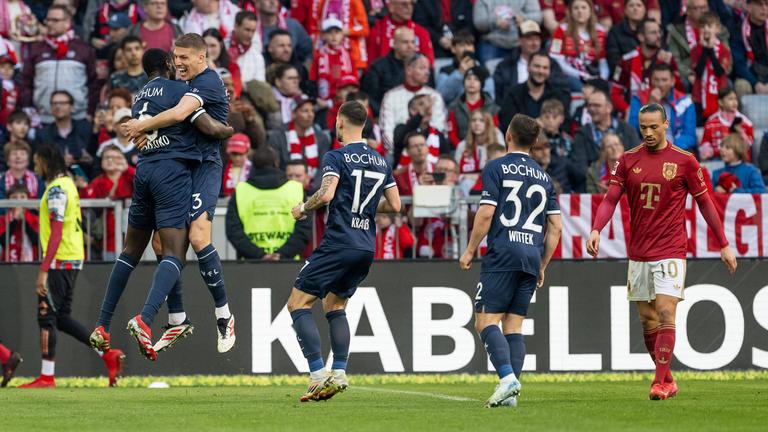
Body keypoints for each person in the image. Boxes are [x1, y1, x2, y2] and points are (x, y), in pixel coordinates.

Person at [91, 48, 235, 360]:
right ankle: (146, 318)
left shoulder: (139, 97)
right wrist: (229, 129)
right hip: (171, 173)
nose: (179, 64)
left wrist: (142, 129)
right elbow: (207, 126)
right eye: (176, 59)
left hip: (143, 171)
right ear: (169, 64)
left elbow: (144, 130)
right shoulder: (178, 91)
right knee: (176, 251)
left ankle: (104, 324)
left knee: (133, 250)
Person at [587, 103, 737, 401]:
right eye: (643, 127)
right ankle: (668, 378)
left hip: (671, 249)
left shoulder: (685, 161)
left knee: (666, 311)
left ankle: (658, 384)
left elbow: (705, 203)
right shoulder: (627, 160)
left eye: (654, 126)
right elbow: (611, 199)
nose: (648, 132)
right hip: (639, 252)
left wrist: (723, 243)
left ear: (666, 124)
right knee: (647, 320)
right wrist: (596, 229)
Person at [287, 100, 401, 402]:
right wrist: (365, 205)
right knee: (335, 306)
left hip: (339, 241)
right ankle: (338, 372)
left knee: (297, 304)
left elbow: (326, 194)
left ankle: (317, 374)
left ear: (340, 121)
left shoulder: (336, 156)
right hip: (365, 245)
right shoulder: (381, 161)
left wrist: (303, 208)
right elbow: (396, 205)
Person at [459, 113, 562, 408]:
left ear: (508, 136)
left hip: (503, 253)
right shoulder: (544, 177)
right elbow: (556, 227)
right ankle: (510, 393)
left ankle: (506, 380)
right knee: (514, 327)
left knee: (485, 321)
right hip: (530, 256)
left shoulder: (496, 167)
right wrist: (542, 264)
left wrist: (470, 249)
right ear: (535, 141)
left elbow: (486, 212)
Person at [18, 145, 125, 389]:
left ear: (46, 162)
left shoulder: (56, 189)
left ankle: (46, 377)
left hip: (60, 259)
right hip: (73, 257)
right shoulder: (68, 185)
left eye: (37, 162)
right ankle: (108, 355)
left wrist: (44, 269)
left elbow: (56, 231)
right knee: (62, 318)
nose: (35, 167)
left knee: (46, 316)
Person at [225, 145, 310, 260]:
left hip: (250, 264)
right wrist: (282, 255)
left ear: (253, 165)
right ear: (276, 163)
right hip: (289, 263)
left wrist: (260, 255)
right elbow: (304, 229)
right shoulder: (296, 189)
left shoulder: (241, 191)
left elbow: (234, 232)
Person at [19, 5, 98, 124]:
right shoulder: (36, 49)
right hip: (43, 119)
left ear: (67, 23)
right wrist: (28, 108)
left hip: (78, 118)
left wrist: (90, 112)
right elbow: (26, 81)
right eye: (48, 20)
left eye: (55, 20)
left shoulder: (83, 49)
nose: (50, 24)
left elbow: (93, 83)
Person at [571, 88, 640, 192]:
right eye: (589, 105)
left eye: (596, 105)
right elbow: (579, 168)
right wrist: (597, 182)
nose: (591, 109)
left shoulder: (628, 131)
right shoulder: (581, 134)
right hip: (592, 190)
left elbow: (638, 161)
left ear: (609, 108)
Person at [610, 18, 679, 115]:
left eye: (659, 32)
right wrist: (626, 109)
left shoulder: (667, 58)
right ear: (641, 37)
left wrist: (668, 65)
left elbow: (679, 89)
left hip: (663, 112)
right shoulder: (626, 60)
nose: (658, 36)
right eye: (653, 33)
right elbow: (615, 92)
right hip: (634, 112)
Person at [379, 54, 446, 154]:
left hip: (430, 152)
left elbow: (439, 128)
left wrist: (423, 152)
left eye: (428, 69)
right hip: (398, 152)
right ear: (409, 70)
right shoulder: (391, 96)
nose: (427, 72)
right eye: (422, 68)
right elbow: (386, 131)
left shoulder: (435, 96)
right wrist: (396, 153)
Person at [78, 145, 135, 261]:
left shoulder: (130, 176)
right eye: (106, 157)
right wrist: (83, 188)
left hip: (133, 239)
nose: (110, 160)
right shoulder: (98, 182)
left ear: (123, 160)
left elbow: (145, 183)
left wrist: (127, 169)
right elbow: (86, 207)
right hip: (108, 241)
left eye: (115, 157)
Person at [267, 95, 332, 191]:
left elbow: (324, 167)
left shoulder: (321, 138)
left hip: (313, 191)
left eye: (312, 111)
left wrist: (311, 187)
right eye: (305, 111)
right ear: (293, 114)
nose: (310, 115)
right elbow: (274, 168)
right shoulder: (278, 137)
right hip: (284, 189)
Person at [628, 63, 697, 152]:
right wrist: (650, 105)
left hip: (676, 149)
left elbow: (690, 136)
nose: (660, 84)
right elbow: (633, 131)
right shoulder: (638, 99)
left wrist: (670, 148)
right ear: (651, 80)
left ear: (672, 81)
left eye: (664, 80)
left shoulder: (685, 102)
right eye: (656, 80)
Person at [498, 52, 570, 132]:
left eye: (545, 68)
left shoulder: (558, 95)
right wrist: (532, 126)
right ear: (528, 67)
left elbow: (566, 124)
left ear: (549, 71)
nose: (541, 71)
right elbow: (507, 123)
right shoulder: (513, 93)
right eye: (537, 66)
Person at [666, 0, 729, 91]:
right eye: (696, 8)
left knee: (727, 84)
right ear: (688, 11)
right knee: (684, 83)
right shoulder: (676, 32)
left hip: (716, 72)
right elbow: (676, 60)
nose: (702, 11)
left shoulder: (719, 30)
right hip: (689, 75)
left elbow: (727, 61)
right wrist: (689, 74)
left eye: (704, 7)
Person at [548, 0, 608, 91]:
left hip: (594, 75)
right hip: (570, 76)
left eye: (584, 7)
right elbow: (557, 60)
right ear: (570, 12)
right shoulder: (561, 30)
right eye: (576, 8)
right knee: (582, 89)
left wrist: (602, 79)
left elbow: (603, 62)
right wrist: (581, 75)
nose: (580, 11)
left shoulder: (600, 31)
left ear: (590, 11)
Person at [360, 26, 416, 116]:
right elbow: (370, 97)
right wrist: (385, 115)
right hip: (385, 115)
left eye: (413, 42)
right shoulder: (377, 66)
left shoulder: (422, 65)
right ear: (394, 44)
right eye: (405, 42)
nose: (410, 46)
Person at [35, 90, 94, 173]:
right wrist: (59, 162)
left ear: (72, 107)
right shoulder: (43, 134)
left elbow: (96, 158)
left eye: (62, 103)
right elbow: (39, 164)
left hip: (85, 176)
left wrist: (89, 159)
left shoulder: (86, 129)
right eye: (54, 103)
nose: (58, 106)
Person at [392, 94, 451, 171]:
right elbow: (400, 138)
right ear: (412, 110)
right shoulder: (401, 129)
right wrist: (420, 114)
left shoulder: (438, 135)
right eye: (421, 104)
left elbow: (446, 159)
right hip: (403, 176)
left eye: (429, 105)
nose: (427, 107)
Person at [472, 0, 543, 63]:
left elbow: (538, 17)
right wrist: (495, 22)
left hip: (519, 44)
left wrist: (524, 19)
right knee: (489, 71)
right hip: (492, 43)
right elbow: (479, 23)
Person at [307, 0, 370, 70]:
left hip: (352, 58)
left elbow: (365, 29)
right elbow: (319, 28)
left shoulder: (354, 1)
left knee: (345, 76)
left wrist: (347, 31)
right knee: (334, 75)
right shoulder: (323, 2)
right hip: (328, 58)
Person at [367, 0, 434, 65]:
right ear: (391, 7)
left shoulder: (421, 32)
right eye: (404, 4)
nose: (409, 8)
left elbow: (429, 64)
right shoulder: (378, 31)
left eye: (411, 4)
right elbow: (371, 64)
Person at [438, 30, 495, 106]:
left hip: (479, 110)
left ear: (473, 48)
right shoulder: (445, 71)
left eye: (469, 45)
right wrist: (459, 74)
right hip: (454, 110)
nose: (466, 49)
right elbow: (441, 97)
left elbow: (490, 97)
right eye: (462, 45)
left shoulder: (483, 71)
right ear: (453, 49)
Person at [447, 66, 500, 147]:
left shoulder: (491, 107)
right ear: (464, 82)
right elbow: (452, 135)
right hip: (460, 149)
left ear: (481, 83)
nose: (471, 82)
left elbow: (494, 132)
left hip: (487, 148)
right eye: (468, 79)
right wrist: (463, 149)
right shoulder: (454, 106)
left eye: (476, 79)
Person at [311, 18, 356, 112]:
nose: (333, 36)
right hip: (324, 101)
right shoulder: (319, 56)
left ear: (342, 34)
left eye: (337, 32)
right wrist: (318, 99)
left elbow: (354, 78)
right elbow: (313, 79)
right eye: (329, 33)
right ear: (323, 35)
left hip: (345, 101)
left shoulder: (347, 55)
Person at [700, 87, 755, 161]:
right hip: (717, 159)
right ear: (720, 102)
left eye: (735, 99)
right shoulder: (711, 122)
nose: (734, 102)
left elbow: (749, 144)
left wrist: (741, 133)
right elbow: (705, 142)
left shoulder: (745, 122)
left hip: (739, 160)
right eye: (730, 99)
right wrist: (707, 152)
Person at [255, 0, 313, 64]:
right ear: (257, 3)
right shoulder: (252, 29)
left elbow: (310, 52)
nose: (272, 2)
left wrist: (304, 69)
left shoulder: (293, 25)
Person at [732, 0, 768, 96]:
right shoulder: (738, 29)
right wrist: (755, 83)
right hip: (750, 75)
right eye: (759, 4)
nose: (764, 8)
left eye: (767, 4)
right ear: (748, 7)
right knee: (741, 86)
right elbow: (738, 63)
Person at [0, 183, 39, 262]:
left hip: (31, 264)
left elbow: (36, 241)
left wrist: (23, 221)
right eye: (14, 197)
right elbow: (3, 242)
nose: (19, 201)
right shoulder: (2, 219)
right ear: (8, 200)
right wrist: (15, 220)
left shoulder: (35, 219)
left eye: (22, 197)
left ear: (28, 199)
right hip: (7, 265)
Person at [455, 110, 503, 174]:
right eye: (473, 120)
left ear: (488, 124)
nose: (477, 123)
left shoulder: (497, 141)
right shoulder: (462, 146)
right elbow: (456, 172)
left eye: (482, 120)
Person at [605, 0, 646, 76]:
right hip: (625, 75)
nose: (635, 8)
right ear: (625, 11)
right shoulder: (615, 32)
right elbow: (613, 60)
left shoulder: (652, 29)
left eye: (639, 5)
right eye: (631, 5)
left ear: (644, 10)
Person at [226, 10, 266, 84]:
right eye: (247, 30)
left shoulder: (257, 56)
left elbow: (260, 86)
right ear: (236, 26)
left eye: (253, 31)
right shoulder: (221, 48)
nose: (250, 35)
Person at [394, 131, 435, 196]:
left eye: (422, 145)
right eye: (414, 146)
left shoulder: (438, 170)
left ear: (428, 148)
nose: (419, 148)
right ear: (407, 151)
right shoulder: (398, 176)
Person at [221, 133, 252, 197]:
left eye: (241, 154)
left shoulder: (253, 169)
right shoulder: (222, 169)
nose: (237, 158)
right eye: (234, 154)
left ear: (247, 152)